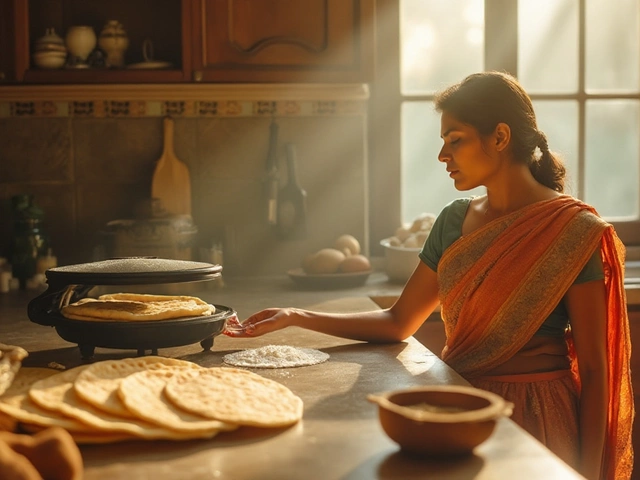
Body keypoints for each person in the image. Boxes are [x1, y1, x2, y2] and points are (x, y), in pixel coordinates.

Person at [224, 71, 633, 480]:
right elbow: (399, 321)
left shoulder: (571, 230)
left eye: (455, 140)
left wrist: (588, 473)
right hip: (457, 406)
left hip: (541, 415)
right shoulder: (453, 222)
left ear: (501, 137)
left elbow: (596, 370)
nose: (442, 155)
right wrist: (297, 316)